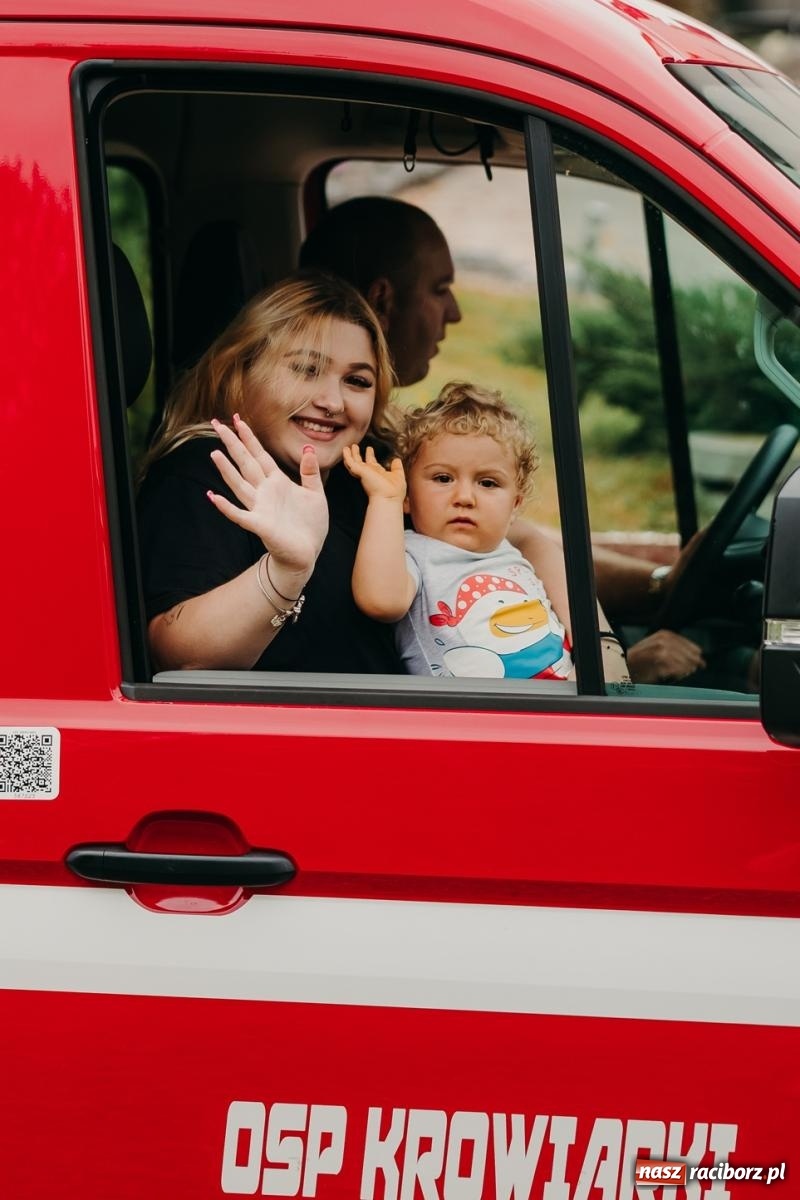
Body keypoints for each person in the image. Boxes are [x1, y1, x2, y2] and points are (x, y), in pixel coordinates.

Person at [299, 196, 707, 684]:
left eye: (488, 483)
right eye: (440, 289)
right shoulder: (374, 478)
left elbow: (525, 538)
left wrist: (612, 644)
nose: (455, 313)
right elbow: (389, 595)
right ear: (383, 300)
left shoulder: (397, 439)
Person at [137, 271, 402, 674]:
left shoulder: (365, 481)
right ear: (242, 372)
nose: (333, 402)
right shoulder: (209, 468)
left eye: (356, 381)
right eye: (306, 369)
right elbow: (178, 655)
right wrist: (285, 571)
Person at [343, 382, 631, 684]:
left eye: (488, 483)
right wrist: (385, 501)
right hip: (481, 711)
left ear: (515, 505)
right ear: (408, 495)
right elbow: (381, 601)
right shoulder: (414, 553)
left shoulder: (514, 555)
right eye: (443, 478)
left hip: (561, 700)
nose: (465, 497)